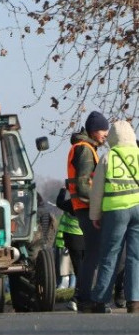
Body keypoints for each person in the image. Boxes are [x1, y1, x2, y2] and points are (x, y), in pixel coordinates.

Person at [88, 120, 139, 314]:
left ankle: (101, 300)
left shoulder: (108, 157)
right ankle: (134, 301)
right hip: (138, 208)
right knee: (136, 256)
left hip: (115, 210)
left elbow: (97, 190)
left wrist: (95, 214)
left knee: (110, 254)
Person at [66, 111, 109, 312]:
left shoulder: (85, 147)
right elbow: (84, 185)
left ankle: (83, 296)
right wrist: (98, 204)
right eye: (103, 131)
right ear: (93, 130)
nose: (106, 135)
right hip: (86, 207)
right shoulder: (84, 150)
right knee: (93, 255)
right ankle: (85, 298)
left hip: (83, 207)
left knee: (92, 254)